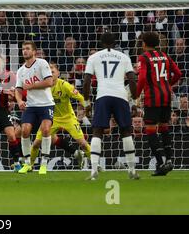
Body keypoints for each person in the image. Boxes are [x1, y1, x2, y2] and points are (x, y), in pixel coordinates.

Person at [83, 32, 139, 180]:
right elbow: (132, 80)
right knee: (126, 131)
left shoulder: (94, 57)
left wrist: (87, 103)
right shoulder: (124, 57)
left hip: (103, 96)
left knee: (97, 131)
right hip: (120, 96)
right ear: (115, 43)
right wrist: (134, 101)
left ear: (101, 43)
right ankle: (132, 170)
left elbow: (87, 81)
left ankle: (94, 171)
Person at [29, 62, 91, 170]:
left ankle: (96, 164)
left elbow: (80, 97)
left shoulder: (64, 85)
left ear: (58, 73)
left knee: (83, 143)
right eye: (48, 72)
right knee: (36, 144)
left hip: (68, 118)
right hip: (50, 119)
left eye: (52, 72)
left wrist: (87, 107)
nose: (50, 74)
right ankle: (29, 165)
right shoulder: (42, 86)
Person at [136, 32, 182, 176]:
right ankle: (169, 160)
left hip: (153, 98)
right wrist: (168, 85)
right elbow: (179, 74)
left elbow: (142, 78)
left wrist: (137, 93)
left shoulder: (143, 58)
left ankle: (161, 162)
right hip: (166, 97)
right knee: (164, 128)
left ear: (144, 43)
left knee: (150, 130)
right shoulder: (165, 55)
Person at [14, 41, 54, 175]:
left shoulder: (42, 64)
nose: (24, 51)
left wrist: (31, 86)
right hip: (30, 105)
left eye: (27, 49)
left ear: (34, 52)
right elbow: (18, 89)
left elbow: (49, 82)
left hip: (46, 104)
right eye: (23, 49)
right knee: (24, 131)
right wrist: (19, 101)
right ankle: (27, 164)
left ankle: (44, 164)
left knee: (46, 130)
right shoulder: (21, 70)